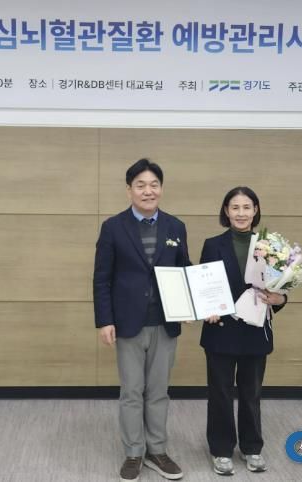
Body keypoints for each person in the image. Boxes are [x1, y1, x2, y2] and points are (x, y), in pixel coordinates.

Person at [93, 158, 191, 482]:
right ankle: (134, 452)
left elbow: (184, 269)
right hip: (127, 324)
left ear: (161, 188)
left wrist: (191, 305)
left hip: (165, 322)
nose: (148, 191)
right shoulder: (113, 227)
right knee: (132, 391)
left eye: (154, 185)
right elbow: (102, 278)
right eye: (141, 185)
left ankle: (157, 450)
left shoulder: (176, 227)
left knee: (159, 391)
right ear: (129, 190)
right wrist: (104, 320)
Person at [199, 186, 287, 476]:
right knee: (220, 393)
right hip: (221, 330)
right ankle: (221, 449)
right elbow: (204, 284)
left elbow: (280, 289)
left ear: (255, 210)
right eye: (235, 207)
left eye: (246, 207)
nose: (241, 213)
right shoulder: (213, 244)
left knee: (251, 393)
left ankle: (252, 447)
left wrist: (279, 299)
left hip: (255, 331)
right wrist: (207, 307)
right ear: (226, 211)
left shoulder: (270, 246)